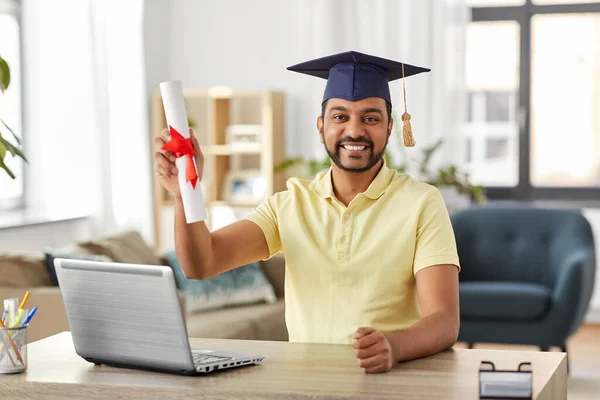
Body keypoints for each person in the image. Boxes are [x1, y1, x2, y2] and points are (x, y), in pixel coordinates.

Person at [154, 50, 460, 374]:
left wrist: (393, 347)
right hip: (306, 382)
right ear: (321, 126)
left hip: (387, 380)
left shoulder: (421, 203)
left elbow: (443, 321)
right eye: (340, 117)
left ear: (389, 128)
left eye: (370, 118)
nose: (354, 131)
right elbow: (201, 263)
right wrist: (183, 194)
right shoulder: (290, 204)